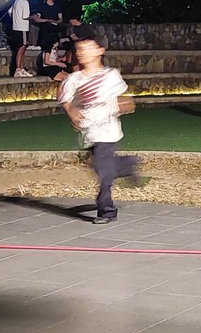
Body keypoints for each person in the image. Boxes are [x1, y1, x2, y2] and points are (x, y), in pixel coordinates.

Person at [59, 34, 143, 224]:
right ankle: (128, 164)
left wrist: (124, 104)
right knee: (101, 167)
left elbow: (126, 101)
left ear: (100, 51)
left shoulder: (111, 75)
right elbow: (65, 99)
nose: (83, 53)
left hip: (108, 131)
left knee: (104, 172)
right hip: (88, 132)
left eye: (88, 48)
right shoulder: (74, 79)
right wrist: (72, 112)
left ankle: (106, 210)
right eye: (80, 49)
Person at [7, 0, 36, 78]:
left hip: (15, 27)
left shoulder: (16, 0)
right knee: (21, 48)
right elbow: (25, 16)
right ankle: (18, 69)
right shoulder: (24, 2)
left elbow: (10, 12)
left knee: (22, 48)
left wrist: (15, 19)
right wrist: (33, 17)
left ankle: (22, 69)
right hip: (22, 28)